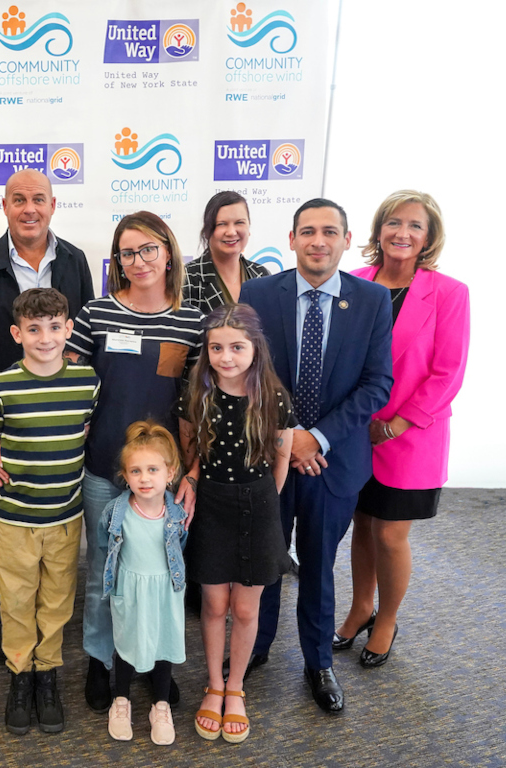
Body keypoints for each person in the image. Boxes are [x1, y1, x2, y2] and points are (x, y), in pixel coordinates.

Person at [240, 198, 393, 713]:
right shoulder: (259, 292)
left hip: (334, 462)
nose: (318, 241)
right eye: (308, 231)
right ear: (291, 239)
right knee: (264, 556)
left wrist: (317, 438)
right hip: (272, 457)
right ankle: (255, 646)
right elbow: (247, 373)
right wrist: (290, 435)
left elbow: (377, 384)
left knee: (320, 565)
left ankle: (317, 662)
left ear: (347, 240)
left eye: (330, 231)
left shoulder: (372, 300)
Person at [65, 211, 203, 713]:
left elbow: (195, 409)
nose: (138, 260)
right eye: (127, 252)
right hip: (104, 470)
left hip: (162, 482)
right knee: (106, 574)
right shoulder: (95, 314)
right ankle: (103, 660)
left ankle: (152, 659)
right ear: (116, 261)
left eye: (148, 249)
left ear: (168, 251)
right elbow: (66, 388)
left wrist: (190, 473)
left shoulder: (191, 322)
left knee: (162, 574)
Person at [0, 169, 94, 656]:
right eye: (19, 199)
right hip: (4, 424)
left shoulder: (75, 261)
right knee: (5, 521)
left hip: (59, 424)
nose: (29, 208)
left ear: (53, 205)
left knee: (59, 531)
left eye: (39, 198)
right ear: (5, 206)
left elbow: (85, 341)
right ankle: (6, 619)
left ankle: (50, 629)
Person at [334, 191, 469, 667]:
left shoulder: (449, 293)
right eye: (394, 222)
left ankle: (386, 619)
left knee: (391, 534)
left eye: (415, 225)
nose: (403, 233)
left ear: (429, 236)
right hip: (356, 429)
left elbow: (447, 372)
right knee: (362, 526)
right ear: (379, 229)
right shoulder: (354, 281)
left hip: (411, 435)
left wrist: (393, 426)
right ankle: (359, 608)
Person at [0, 288, 99, 736]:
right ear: (17, 333)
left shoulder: (87, 382)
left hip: (65, 517)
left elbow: (87, 428)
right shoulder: (1, 386)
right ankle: (20, 675)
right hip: (14, 520)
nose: (44, 338)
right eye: (33, 329)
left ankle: (47, 673)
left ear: (68, 330)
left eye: (53, 328)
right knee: (16, 599)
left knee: (56, 601)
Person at [177, 305, 294, 743]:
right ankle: (213, 683)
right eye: (217, 348)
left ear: (255, 348)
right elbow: (192, 450)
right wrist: (191, 477)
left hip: (260, 505)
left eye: (237, 347)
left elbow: (281, 458)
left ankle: (236, 687)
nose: (226, 357)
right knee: (213, 605)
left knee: (246, 608)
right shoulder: (197, 394)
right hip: (212, 507)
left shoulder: (273, 397)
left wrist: (267, 505)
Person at [98, 421, 188, 746]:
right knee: (126, 643)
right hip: (130, 591)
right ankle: (120, 700)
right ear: (125, 476)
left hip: (165, 591)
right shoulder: (117, 512)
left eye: (153, 469)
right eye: (135, 471)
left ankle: (160, 705)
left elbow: (181, 545)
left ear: (171, 472)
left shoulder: (176, 514)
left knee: (163, 642)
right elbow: (102, 542)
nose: (145, 478)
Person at [184, 191, 270, 314]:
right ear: (208, 231)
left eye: (239, 222)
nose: (231, 232)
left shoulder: (261, 275)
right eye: (222, 224)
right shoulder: (188, 278)